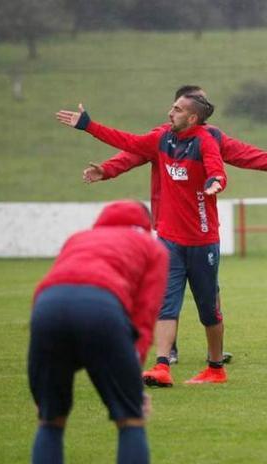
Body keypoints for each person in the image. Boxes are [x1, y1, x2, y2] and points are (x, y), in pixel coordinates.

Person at [83, 85, 267, 366]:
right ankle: (166, 355)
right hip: (168, 226)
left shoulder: (209, 137)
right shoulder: (161, 136)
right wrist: (106, 169)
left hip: (201, 233)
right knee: (168, 293)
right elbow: (131, 152)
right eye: (197, 100)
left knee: (208, 296)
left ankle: (214, 355)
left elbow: (241, 154)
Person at [56, 93, 230, 385]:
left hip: (202, 241)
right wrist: (88, 125)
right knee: (166, 304)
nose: (170, 112)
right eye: (172, 107)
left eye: (177, 109)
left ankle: (215, 369)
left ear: (193, 118)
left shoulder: (205, 140)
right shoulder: (162, 138)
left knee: (208, 309)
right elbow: (128, 143)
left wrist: (215, 182)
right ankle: (162, 366)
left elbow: (216, 168)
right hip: (169, 240)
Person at [28, 200, 168, 464]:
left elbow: (51, 285)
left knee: (50, 419)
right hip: (102, 307)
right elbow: (144, 319)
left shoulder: (78, 238)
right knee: (130, 419)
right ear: (147, 225)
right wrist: (134, 380)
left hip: (47, 309)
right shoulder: (153, 248)